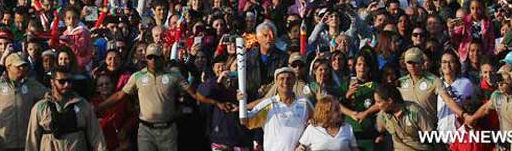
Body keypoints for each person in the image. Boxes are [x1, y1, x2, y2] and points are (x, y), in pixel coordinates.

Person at [97, 43, 233, 151]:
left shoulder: (174, 76)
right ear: (146, 59)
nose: (153, 60)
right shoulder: (137, 76)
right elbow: (120, 95)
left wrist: (217, 103)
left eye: (156, 57)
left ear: (162, 58)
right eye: (150, 57)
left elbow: (195, 94)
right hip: (145, 130)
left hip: (168, 130)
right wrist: (99, 107)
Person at [25, 66, 107, 151]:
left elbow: (96, 136)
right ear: (52, 82)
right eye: (62, 81)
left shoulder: (83, 105)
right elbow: (32, 140)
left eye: (69, 81)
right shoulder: (40, 108)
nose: (67, 85)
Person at [239, 66, 312, 151]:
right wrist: (242, 101)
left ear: (294, 81)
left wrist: (304, 144)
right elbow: (245, 121)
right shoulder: (268, 105)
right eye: (281, 78)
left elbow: (316, 124)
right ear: (276, 82)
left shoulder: (304, 103)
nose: (285, 82)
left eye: (289, 78)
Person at [373, 84, 435, 151]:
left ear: (390, 101)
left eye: (378, 102)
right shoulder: (382, 115)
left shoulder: (415, 111)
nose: (376, 105)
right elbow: (380, 130)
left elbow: (430, 134)